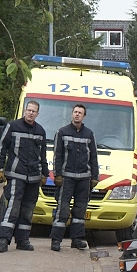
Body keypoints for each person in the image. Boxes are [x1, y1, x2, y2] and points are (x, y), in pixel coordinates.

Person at [0, 100, 48, 253]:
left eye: (34, 111)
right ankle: (4, 240)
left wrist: (44, 174)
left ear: (37, 114)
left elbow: (42, 155)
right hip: (16, 175)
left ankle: (23, 240)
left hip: (34, 178)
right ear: (25, 111)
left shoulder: (40, 131)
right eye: (29, 110)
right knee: (13, 207)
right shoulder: (13, 126)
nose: (30, 113)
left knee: (28, 210)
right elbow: (2, 148)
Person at [50, 103, 99, 251]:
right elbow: (57, 155)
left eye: (80, 113)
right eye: (75, 112)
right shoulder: (62, 132)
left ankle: (77, 239)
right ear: (72, 114)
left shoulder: (89, 134)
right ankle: (56, 240)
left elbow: (94, 157)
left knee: (80, 210)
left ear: (84, 116)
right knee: (62, 209)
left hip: (84, 179)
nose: (77, 114)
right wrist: (57, 174)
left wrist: (95, 176)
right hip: (66, 178)